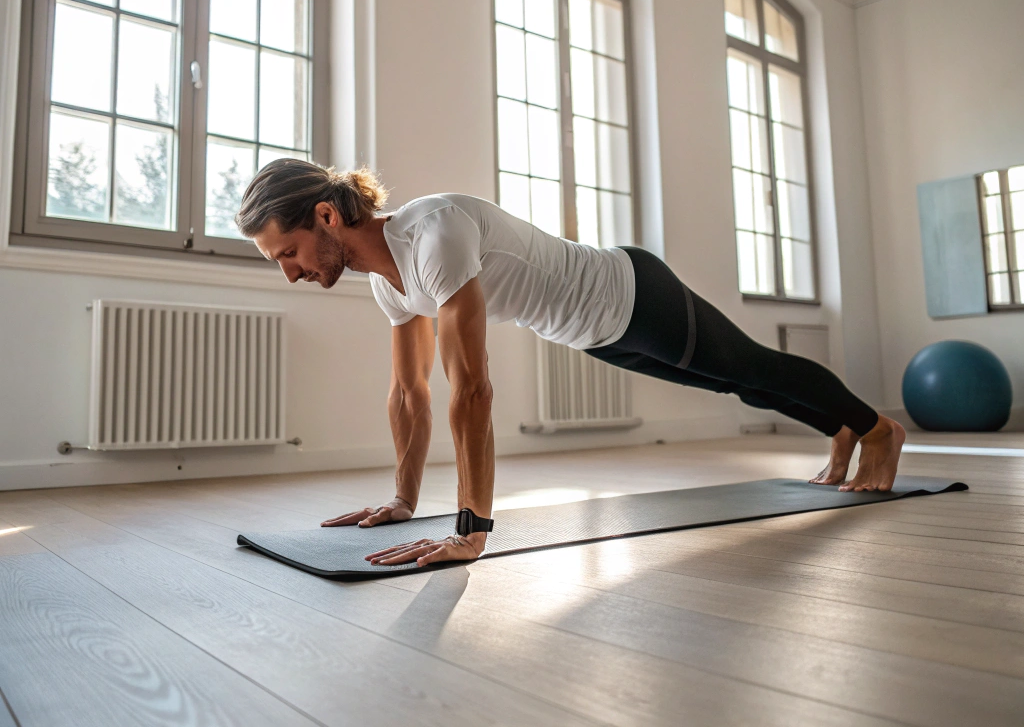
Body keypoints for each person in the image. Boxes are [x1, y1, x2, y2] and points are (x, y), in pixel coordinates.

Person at [236, 160, 905, 568]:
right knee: (736, 384)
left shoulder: (434, 232)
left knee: (750, 368)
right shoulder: (389, 284)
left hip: (635, 296)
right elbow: (409, 393)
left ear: (326, 215)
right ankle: (839, 428)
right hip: (596, 333)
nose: (290, 273)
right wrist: (404, 501)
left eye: (288, 253)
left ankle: (877, 431)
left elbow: (471, 389)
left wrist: (472, 529)